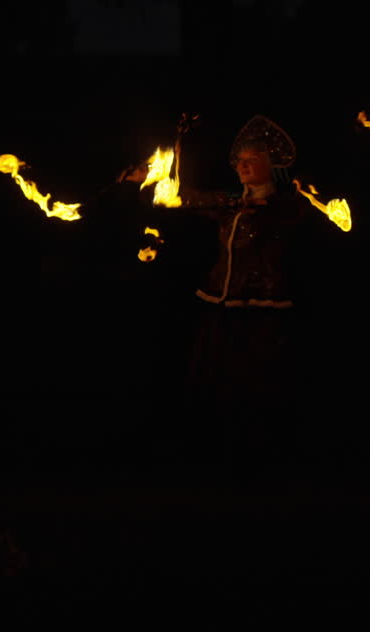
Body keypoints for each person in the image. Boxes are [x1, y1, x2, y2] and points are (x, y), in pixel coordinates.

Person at [120, 115, 325, 481]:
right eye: (240, 160)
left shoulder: (288, 205)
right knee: (216, 379)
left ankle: (265, 460)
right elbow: (183, 198)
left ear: (270, 165)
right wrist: (151, 180)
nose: (243, 166)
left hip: (263, 308)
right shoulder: (229, 203)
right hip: (222, 303)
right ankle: (215, 459)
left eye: (252, 160)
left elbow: (295, 214)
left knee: (259, 383)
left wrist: (267, 209)